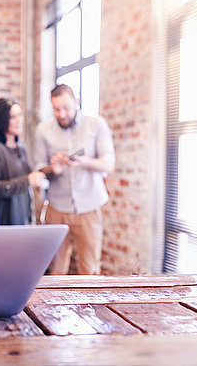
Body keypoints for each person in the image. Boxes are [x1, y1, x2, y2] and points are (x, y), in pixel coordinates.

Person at [33, 84, 115, 275]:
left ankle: (90, 306)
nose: (62, 114)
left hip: (89, 208)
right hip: (56, 208)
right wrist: (53, 168)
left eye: (66, 108)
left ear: (76, 102)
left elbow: (108, 163)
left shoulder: (96, 125)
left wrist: (85, 161)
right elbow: (39, 170)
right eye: (56, 109)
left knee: (90, 268)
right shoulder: (43, 131)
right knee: (57, 270)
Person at [0, 98, 46, 225]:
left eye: (19, 115)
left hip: (21, 217)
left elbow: (26, 189)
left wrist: (29, 217)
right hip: (4, 220)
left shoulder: (20, 145)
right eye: (13, 117)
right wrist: (26, 181)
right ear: (1, 120)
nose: (19, 121)